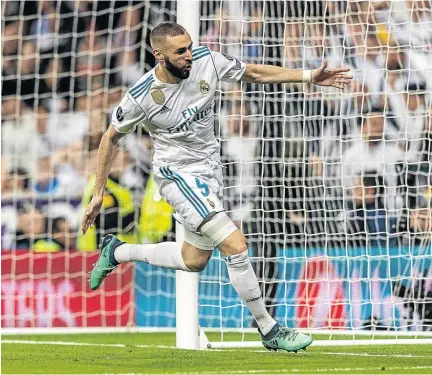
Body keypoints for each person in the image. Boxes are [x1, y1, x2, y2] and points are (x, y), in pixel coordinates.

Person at [81, 21, 352, 352]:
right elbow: (111, 137)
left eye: (190, 47)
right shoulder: (141, 96)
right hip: (176, 176)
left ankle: (117, 251)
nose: (189, 56)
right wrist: (97, 193)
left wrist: (308, 76)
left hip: (209, 172)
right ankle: (270, 329)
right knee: (236, 244)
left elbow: (253, 73)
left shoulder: (207, 61)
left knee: (194, 260)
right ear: (159, 55)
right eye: (180, 51)